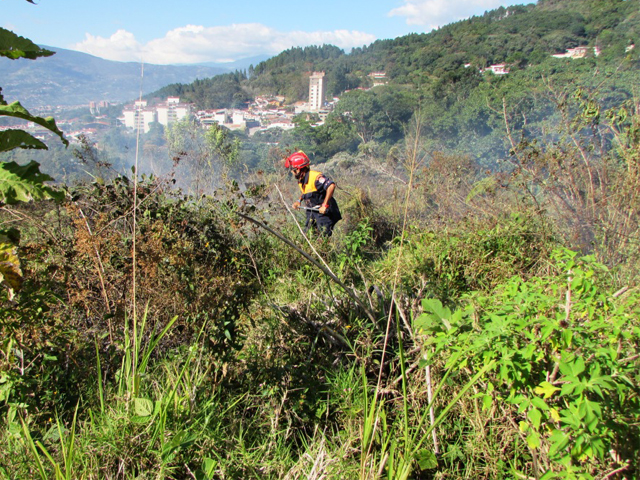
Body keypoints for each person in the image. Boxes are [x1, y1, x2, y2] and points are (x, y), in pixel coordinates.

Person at [285, 151, 342, 237]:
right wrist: (298, 201)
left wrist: (325, 205)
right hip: (312, 213)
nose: (292, 173)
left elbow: (331, 186)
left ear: (299, 169)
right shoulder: (301, 180)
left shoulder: (315, 177)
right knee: (307, 236)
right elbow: (305, 193)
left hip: (324, 214)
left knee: (323, 237)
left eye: (293, 170)